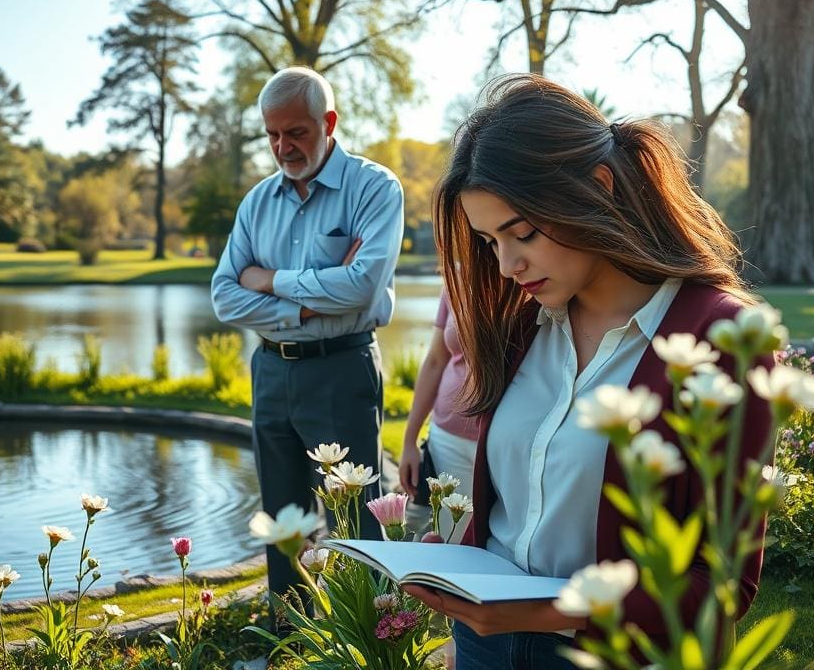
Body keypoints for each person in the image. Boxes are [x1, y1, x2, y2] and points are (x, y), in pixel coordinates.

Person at [403, 74, 773, 669]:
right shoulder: (521, 323)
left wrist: (545, 613)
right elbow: (513, 509)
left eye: (522, 233)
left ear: (598, 187)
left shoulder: (720, 337)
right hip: (483, 643)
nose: (507, 264)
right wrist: (460, 562)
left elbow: (722, 583)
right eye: (489, 241)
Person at [211, 67, 404, 604]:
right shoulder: (257, 202)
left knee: (356, 516)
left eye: (295, 132)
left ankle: (369, 635)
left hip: (342, 369)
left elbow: (362, 287)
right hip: (271, 371)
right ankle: (291, 634)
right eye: (272, 134)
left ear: (329, 122)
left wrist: (269, 280)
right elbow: (225, 295)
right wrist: (309, 304)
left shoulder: (374, 188)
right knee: (282, 520)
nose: (282, 147)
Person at [398, 286, 477, 541]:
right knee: (446, 540)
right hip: (447, 439)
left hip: (504, 442)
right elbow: (435, 360)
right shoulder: (456, 280)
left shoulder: (529, 281)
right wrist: (409, 442)